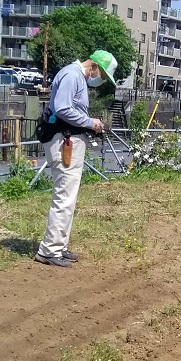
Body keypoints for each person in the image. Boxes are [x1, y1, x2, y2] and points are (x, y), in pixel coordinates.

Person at [33, 49, 117, 268]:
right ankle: (50, 250)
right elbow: (62, 108)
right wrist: (91, 123)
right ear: (95, 66)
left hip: (66, 139)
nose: (101, 80)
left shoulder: (75, 75)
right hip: (64, 140)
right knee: (64, 195)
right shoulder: (72, 75)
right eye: (104, 76)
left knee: (68, 195)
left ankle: (58, 245)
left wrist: (88, 122)